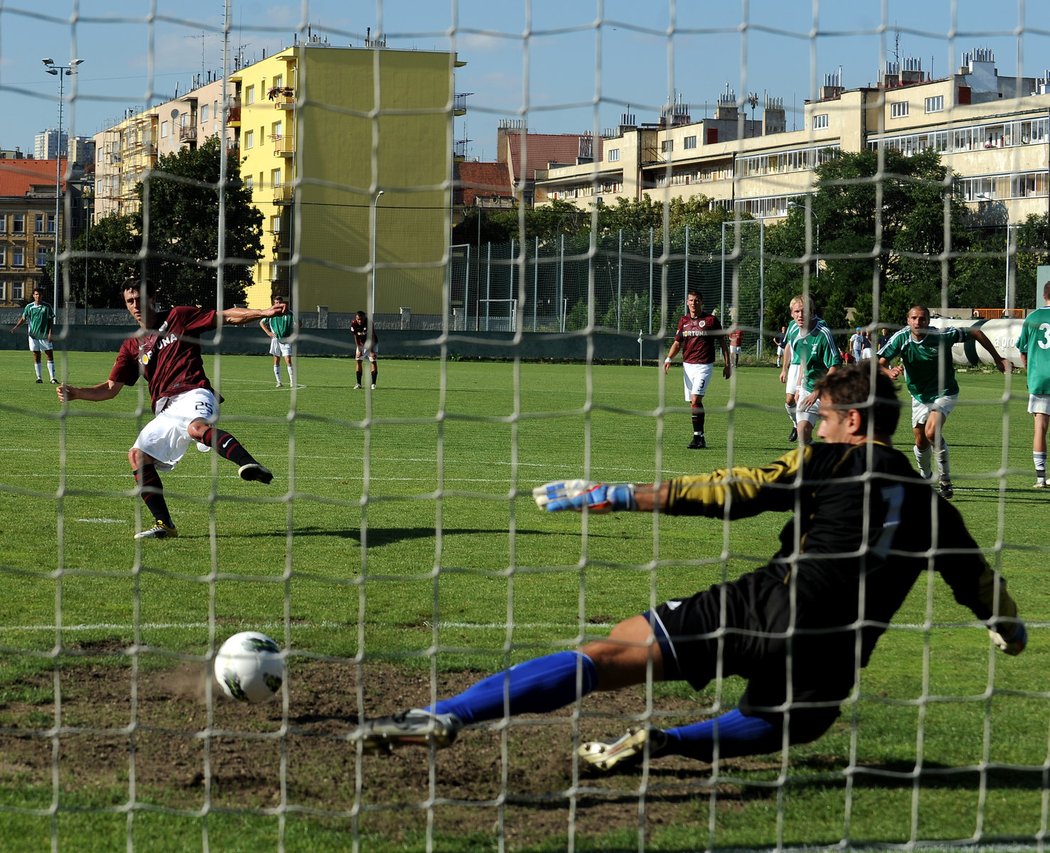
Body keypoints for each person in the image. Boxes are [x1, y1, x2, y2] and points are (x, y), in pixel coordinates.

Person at [356, 363, 1026, 767]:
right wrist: (1007, 626)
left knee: (613, 650)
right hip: (837, 649)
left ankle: (444, 715)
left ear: (852, 421)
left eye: (820, 417)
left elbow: (733, 490)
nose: (813, 426)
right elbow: (977, 580)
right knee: (794, 718)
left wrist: (617, 494)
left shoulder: (832, 458)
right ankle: (668, 742)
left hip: (770, 604)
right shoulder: (932, 504)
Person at [57, 278, 288, 540]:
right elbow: (111, 388)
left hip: (194, 391)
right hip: (165, 410)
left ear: (153, 298)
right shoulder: (132, 346)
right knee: (137, 455)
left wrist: (264, 312)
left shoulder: (179, 317)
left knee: (196, 428)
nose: (136, 305)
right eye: (130, 301)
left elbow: (227, 317)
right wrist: (76, 393)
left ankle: (249, 465)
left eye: (140, 299)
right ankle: (165, 524)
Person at [878, 304, 1009, 499]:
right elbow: (878, 362)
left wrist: (998, 359)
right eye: (914, 318)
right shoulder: (901, 338)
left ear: (928, 321)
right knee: (920, 441)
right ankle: (925, 477)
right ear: (908, 320)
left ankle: (945, 479)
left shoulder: (941, 336)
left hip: (945, 392)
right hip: (919, 395)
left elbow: (975, 332)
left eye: (922, 318)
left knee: (932, 432)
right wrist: (889, 371)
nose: (918, 322)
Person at [663, 291, 731, 449]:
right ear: (687, 302)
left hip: (704, 366)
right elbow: (677, 343)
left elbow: (723, 343)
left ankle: (698, 438)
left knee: (695, 399)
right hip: (688, 366)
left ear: (702, 302)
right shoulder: (683, 321)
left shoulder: (711, 320)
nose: (694, 303)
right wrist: (668, 359)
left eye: (697, 300)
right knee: (692, 404)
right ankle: (699, 437)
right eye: (691, 300)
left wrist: (728, 365)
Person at [791, 294, 843, 445]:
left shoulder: (823, 334)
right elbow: (803, 361)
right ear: (792, 314)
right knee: (802, 431)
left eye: (804, 311)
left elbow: (835, 365)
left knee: (834, 439)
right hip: (808, 389)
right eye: (797, 311)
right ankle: (814, 463)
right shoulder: (794, 334)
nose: (800, 315)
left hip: (831, 391)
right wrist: (799, 387)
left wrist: (818, 391)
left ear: (812, 312)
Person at [1016, 283, 1050, 488]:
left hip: (1039, 380)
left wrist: (1030, 371)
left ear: (1044, 294)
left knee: (1040, 427)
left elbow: (1023, 350)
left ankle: (1040, 478)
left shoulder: (1032, 318)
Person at [11, 287, 58, 383]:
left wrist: (50, 333)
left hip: (44, 335)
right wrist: (16, 327)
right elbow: (23, 319)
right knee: (36, 355)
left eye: (39, 294)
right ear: (33, 295)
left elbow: (50, 321)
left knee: (49, 355)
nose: (38, 296)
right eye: (36, 294)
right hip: (33, 336)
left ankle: (52, 378)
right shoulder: (29, 307)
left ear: (42, 296)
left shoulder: (47, 306)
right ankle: (39, 378)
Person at [260, 294, 297, 388]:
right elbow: (261, 322)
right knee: (276, 359)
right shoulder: (271, 313)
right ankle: (279, 382)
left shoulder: (289, 313)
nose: (278, 304)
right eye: (276, 303)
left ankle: (292, 382)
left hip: (285, 338)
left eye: (280, 302)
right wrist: (268, 332)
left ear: (282, 303)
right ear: (274, 303)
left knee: (288, 359)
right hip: (275, 339)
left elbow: (297, 324)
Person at [778, 311, 803, 442]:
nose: (798, 314)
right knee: (789, 400)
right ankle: (796, 424)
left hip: (810, 366)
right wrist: (784, 369)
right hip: (794, 366)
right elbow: (787, 346)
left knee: (803, 401)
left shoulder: (819, 324)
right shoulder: (792, 325)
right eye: (795, 311)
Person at [350, 310, 379, 390]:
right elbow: (356, 336)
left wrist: (372, 351)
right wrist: (359, 349)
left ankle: (373, 384)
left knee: (373, 361)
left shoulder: (369, 323)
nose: (359, 321)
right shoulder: (354, 324)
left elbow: (372, 337)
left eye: (361, 319)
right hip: (361, 344)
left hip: (372, 343)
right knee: (358, 361)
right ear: (356, 318)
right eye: (358, 319)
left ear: (364, 318)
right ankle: (358, 383)